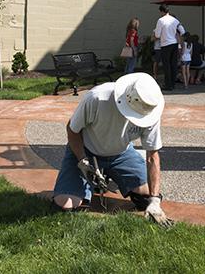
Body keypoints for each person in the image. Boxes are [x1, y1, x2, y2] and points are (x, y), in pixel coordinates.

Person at [51, 72, 172, 227]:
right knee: (66, 205)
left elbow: (152, 156)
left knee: (145, 198)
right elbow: (72, 129)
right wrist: (82, 160)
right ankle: (91, 180)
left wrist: (155, 200)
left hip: (121, 153)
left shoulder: (150, 110)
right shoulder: (97, 98)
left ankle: (108, 175)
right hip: (86, 150)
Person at [154, 5, 182, 91]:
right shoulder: (175, 20)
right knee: (173, 64)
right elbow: (182, 30)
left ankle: (168, 85)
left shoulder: (160, 20)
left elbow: (157, 35)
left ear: (161, 11)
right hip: (174, 44)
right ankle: (173, 84)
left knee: (166, 65)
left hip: (166, 44)